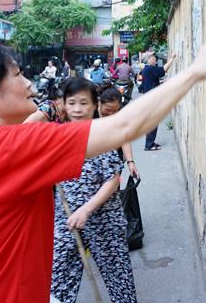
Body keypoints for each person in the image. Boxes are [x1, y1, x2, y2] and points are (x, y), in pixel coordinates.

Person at [0, 35, 206, 302]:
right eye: (18, 75)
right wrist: (195, 71)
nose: (28, 84)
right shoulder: (8, 147)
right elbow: (125, 127)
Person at [51, 78, 137, 303]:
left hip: (105, 221)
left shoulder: (102, 134)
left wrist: (86, 210)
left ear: (94, 105)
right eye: (71, 103)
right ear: (64, 105)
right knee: (57, 284)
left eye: (83, 103)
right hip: (67, 221)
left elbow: (113, 181)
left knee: (120, 280)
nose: (77, 109)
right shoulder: (56, 137)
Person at [141, 52, 177, 151]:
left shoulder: (146, 69)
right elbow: (164, 68)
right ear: (148, 59)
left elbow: (151, 83)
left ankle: (150, 142)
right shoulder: (150, 68)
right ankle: (149, 145)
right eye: (153, 57)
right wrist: (172, 58)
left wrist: (161, 82)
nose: (155, 58)